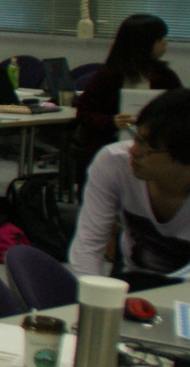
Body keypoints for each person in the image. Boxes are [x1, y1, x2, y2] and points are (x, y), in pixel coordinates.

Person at [68, 88, 190, 290]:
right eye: (137, 137)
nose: (134, 150)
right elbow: (88, 246)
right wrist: (92, 297)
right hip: (133, 283)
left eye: (147, 146)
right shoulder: (115, 162)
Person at [77, 13, 181, 160]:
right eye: (160, 38)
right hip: (111, 149)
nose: (165, 42)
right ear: (145, 43)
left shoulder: (165, 76)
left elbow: (180, 112)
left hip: (154, 150)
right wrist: (111, 121)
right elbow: (84, 113)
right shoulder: (107, 76)